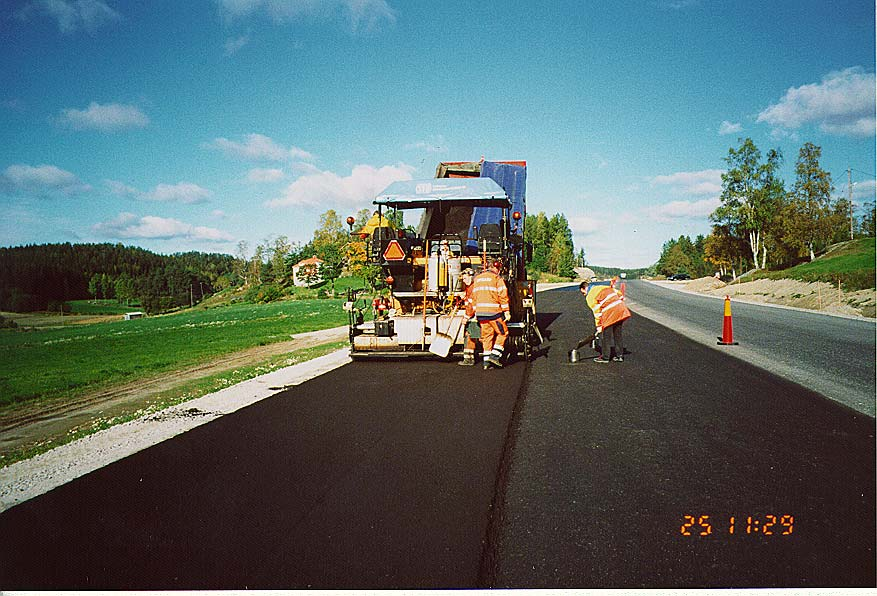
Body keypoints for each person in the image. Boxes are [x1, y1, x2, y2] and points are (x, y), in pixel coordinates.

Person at [580, 280, 631, 363]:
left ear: (584, 288)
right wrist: (618, 301)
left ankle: (605, 357)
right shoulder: (602, 287)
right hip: (620, 309)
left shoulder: (590, 297)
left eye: (583, 293)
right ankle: (619, 356)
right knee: (617, 334)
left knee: (606, 336)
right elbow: (619, 293)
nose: (584, 294)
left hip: (610, 313)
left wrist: (599, 326)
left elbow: (597, 312)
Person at [472, 260, 511, 369]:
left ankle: (486, 363)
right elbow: (503, 295)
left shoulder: (478, 279)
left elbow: (473, 297)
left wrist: (476, 313)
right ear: (497, 268)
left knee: (487, 337)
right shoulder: (497, 279)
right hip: (493, 313)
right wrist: (506, 311)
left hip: (480, 314)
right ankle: (494, 356)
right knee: (503, 333)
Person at [457, 267, 479, 366]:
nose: (464, 281)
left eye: (465, 279)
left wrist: (466, 317)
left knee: (470, 334)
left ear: (471, 277)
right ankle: (469, 357)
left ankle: (469, 359)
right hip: (475, 314)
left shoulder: (473, 287)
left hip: (475, 315)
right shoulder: (470, 287)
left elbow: (472, 304)